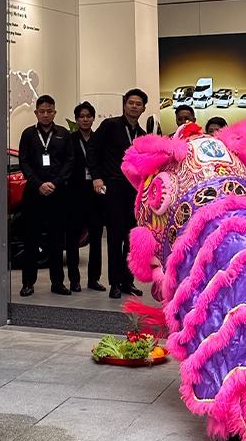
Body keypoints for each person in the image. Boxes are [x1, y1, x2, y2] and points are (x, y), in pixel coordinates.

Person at [87, 89, 148, 299]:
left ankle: (127, 281)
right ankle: (114, 283)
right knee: (114, 237)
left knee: (131, 238)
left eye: (138, 104)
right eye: (130, 103)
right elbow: (92, 149)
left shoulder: (142, 134)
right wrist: (96, 176)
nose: (133, 106)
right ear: (124, 105)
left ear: (143, 108)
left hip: (135, 191)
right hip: (113, 186)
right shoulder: (110, 126)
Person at [17, 94, 74, 297]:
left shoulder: (63, 134)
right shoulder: (28, 135)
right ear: (36, 113)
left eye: (49, 111)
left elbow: (69, 161)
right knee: (31, 239)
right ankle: (27, 282)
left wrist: (55, 183)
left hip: (58, 192)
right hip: (34, 191)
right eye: (42, 111)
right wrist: (39, 184)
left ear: (55, 112)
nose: (46, 115)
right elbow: (24, 162)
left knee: (57, 239)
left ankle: (57, 282)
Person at [70, 101, 105, 292]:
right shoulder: (70, 139)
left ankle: (94, 279)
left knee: (96, 238)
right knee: (73, 238)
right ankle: (74, 280)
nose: (85, 119)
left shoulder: (98, 139)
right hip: (75, 194)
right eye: (81, 116)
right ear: (76, 119)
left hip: (95, 194)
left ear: (93, 118)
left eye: (88, 116)